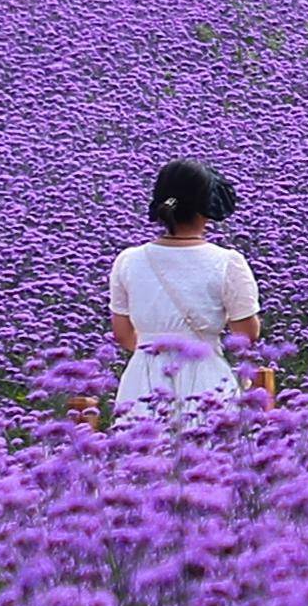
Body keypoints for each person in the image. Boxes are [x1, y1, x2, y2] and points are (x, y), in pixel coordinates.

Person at [107, 162, 261, 419]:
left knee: (140, 453)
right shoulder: (227, 262)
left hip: (142, 381)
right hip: (205, 377)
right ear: (206, 208)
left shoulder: (128, 261)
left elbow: (122, 334)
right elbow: (246, 334)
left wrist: (159, 351)